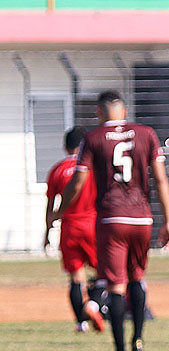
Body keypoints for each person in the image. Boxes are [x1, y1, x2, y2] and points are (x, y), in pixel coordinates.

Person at [57, 90, 169, 351]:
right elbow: (160, 180)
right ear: (123, 111)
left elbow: (77, 181)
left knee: (115, 284)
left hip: (112, 218)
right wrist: (168, 220)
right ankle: (138, 341)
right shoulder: (146, 133)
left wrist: (59, 212)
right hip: (142, 217)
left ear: (99, 112)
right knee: (137, 277)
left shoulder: (94, 138)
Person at [44, 126, 102, 333]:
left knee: (76, 277)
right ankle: (93, 305)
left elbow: (51, 206)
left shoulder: (57, 170)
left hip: (69, 227)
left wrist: (47, 232)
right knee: (102, 273)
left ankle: (81, 323)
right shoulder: (93, 168)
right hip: (93, 225)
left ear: (65, 147)